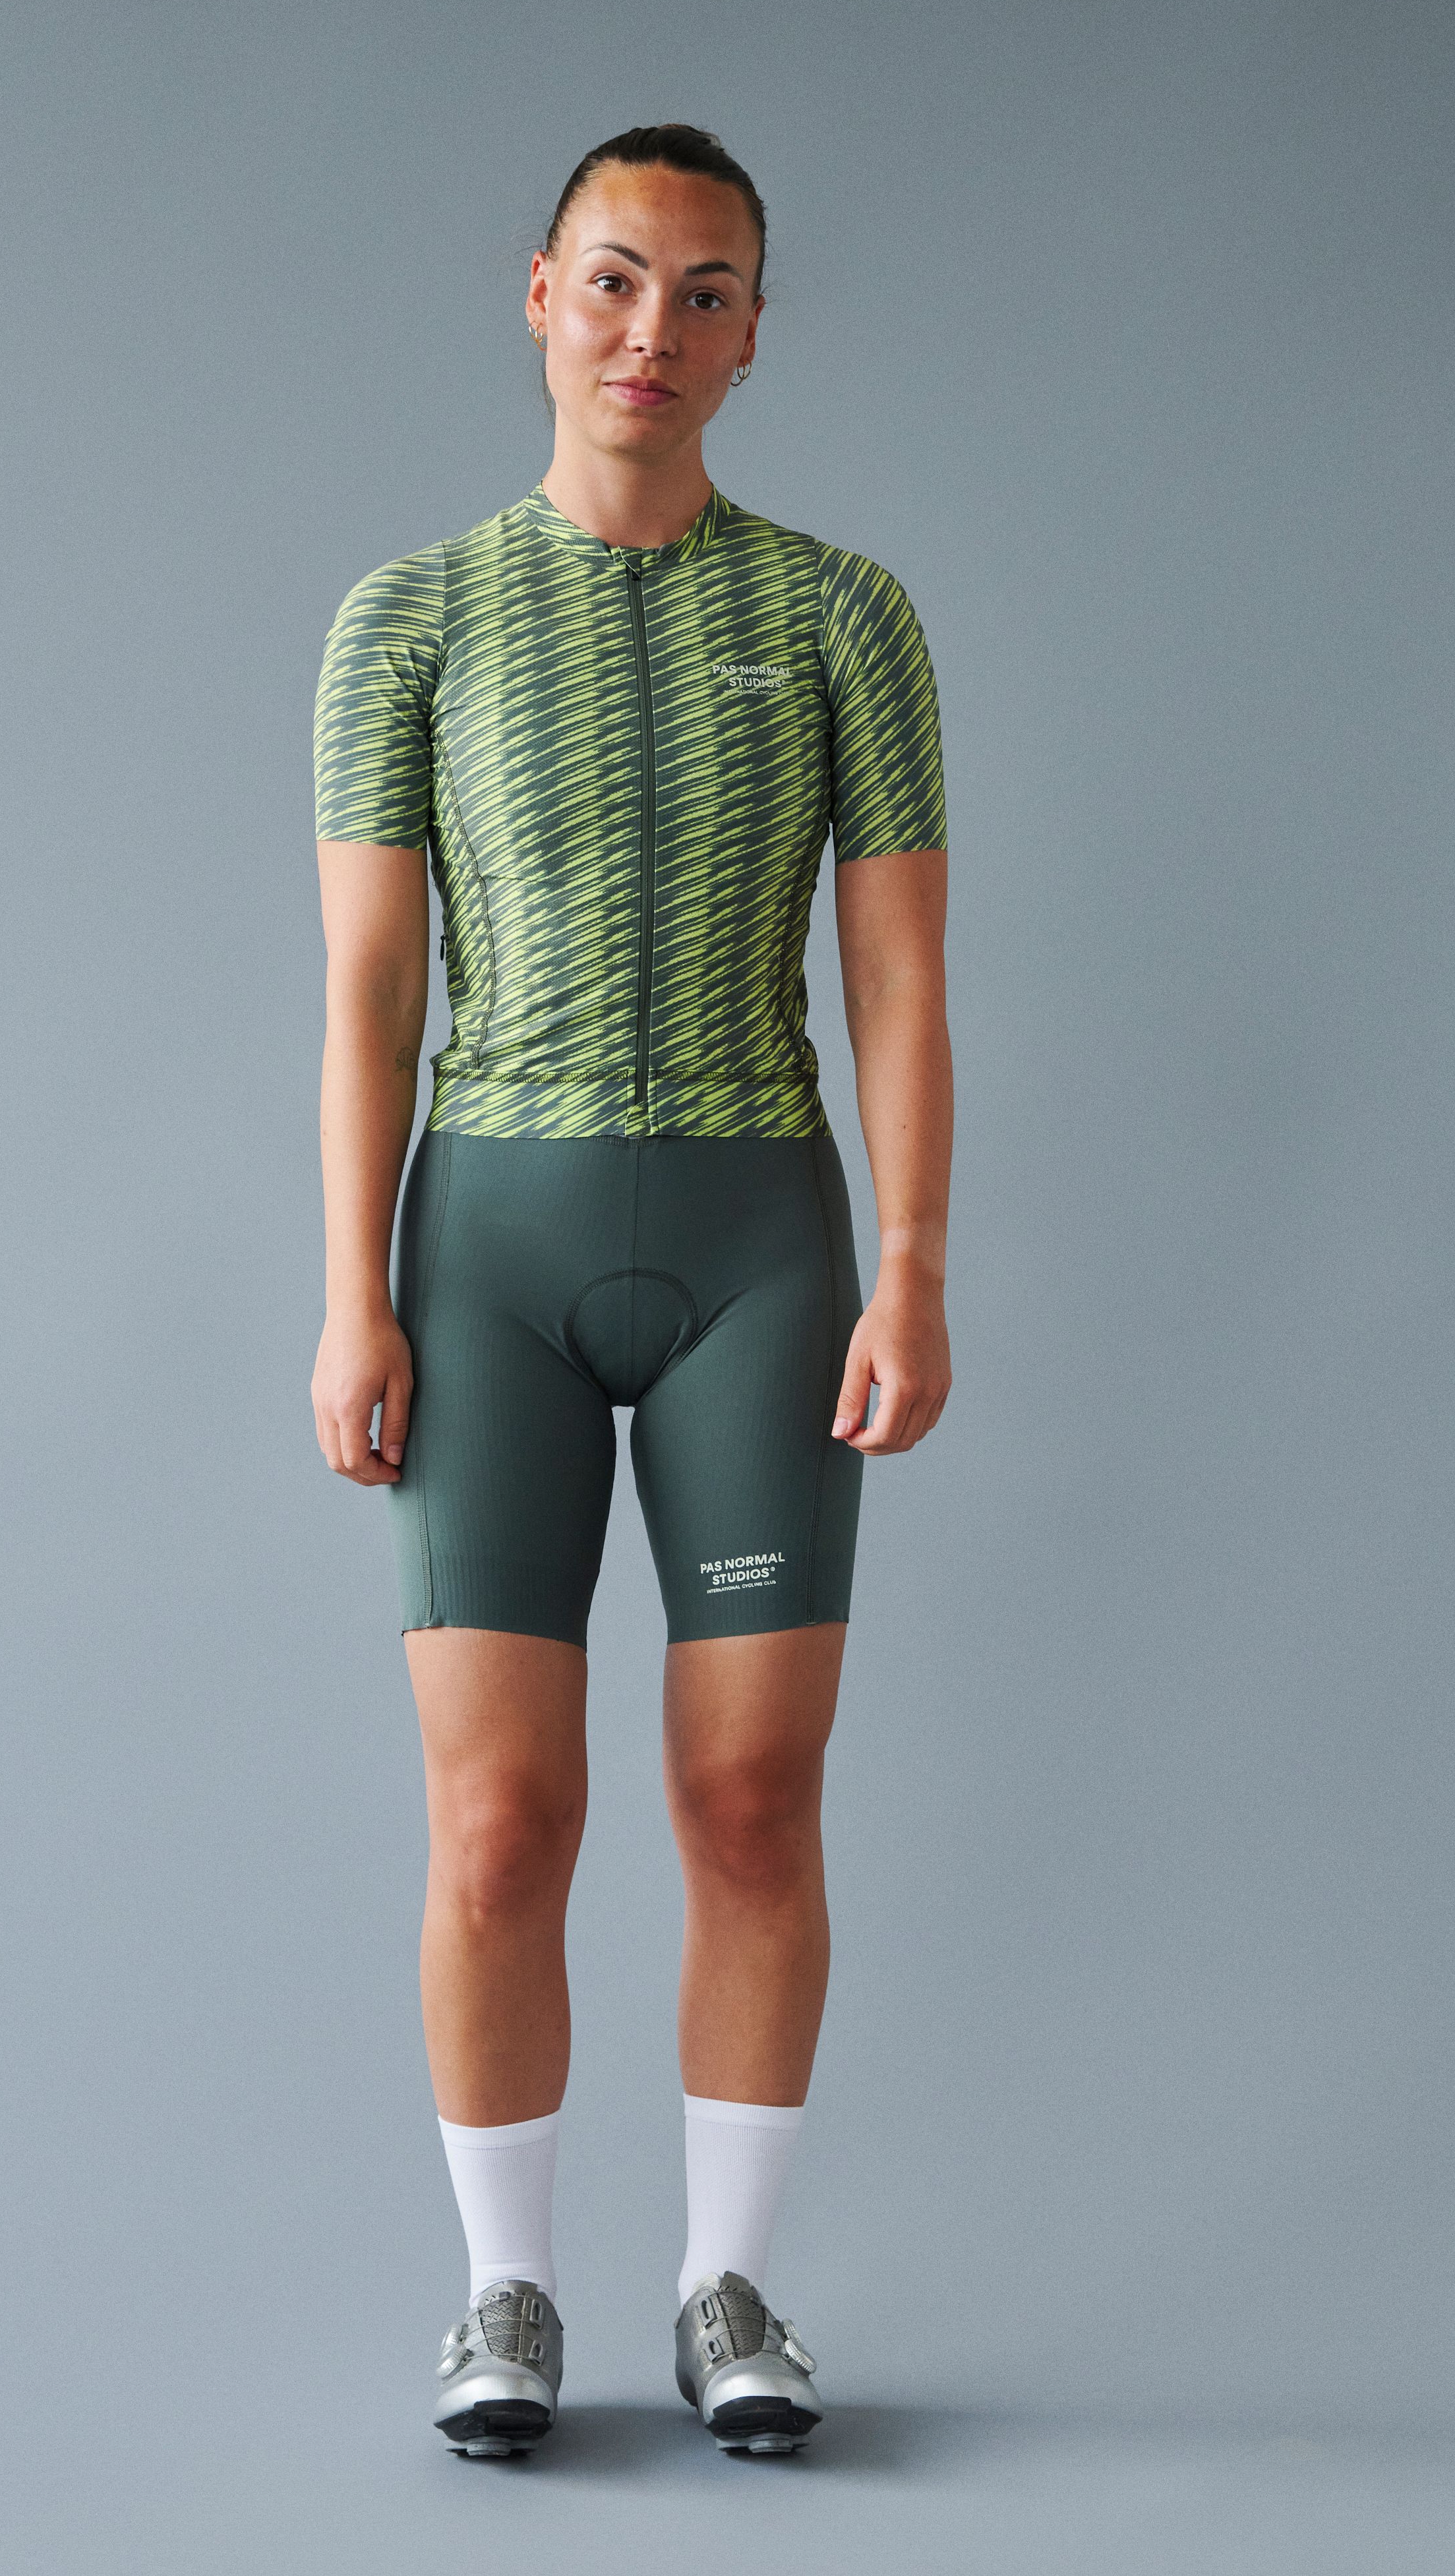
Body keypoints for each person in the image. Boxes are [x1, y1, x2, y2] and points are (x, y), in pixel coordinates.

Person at [311, 123, 951, 2459]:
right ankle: (504, 2298)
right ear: (540, 294)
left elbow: (899, 981)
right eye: (613, 280)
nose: (650, 332)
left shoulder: (845, 615)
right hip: (488, 1240)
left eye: (704, 294)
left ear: (756, 333)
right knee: (500, 1822)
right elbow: (373, 997)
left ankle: (729, 2288)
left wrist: (912, 1266)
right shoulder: (412, 619)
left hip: (761, 1243)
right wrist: (353, 1293)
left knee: (753, 1797)